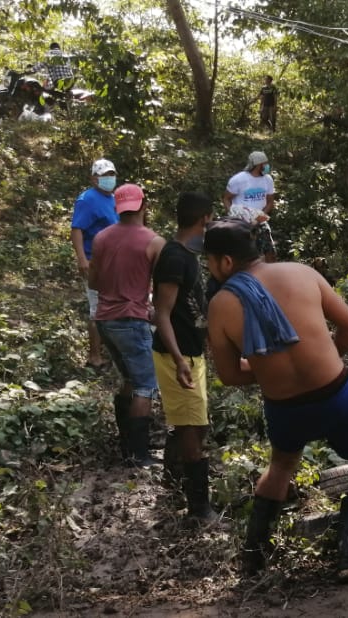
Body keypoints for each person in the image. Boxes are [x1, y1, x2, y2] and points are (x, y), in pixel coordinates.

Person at [203, 218, 348, 574]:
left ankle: (254, 555)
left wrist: (268, 368)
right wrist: (327, 357)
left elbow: (230, 374)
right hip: (336, 393)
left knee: (281, 466)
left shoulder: (221, 303)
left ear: (224, 262)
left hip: (285, 408)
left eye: (208, 260)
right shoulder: (302, 272)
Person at [90, 184, 166, 468]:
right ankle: (137, 454)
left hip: (105, 321)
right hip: (132, 320)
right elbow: (162, 290)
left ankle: (126, 442)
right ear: (144, 205)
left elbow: (93, 282)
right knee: (145, 386)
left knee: (130, 381)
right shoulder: (153, 242)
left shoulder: (101, 238)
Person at [153, 192, 217, 521]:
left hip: (190, 352)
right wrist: (178, 359)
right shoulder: (174, 258)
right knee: (192, 431)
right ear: (203, 219)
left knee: (192, 424)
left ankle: (173, 482)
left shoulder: (188, 255)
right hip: (175, 355)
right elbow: (161, 312)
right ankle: (198, 508)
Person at [71, 159, 120, 370]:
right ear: (94, 178)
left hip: (115, 262)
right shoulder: (88, 200)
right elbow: (77, 230)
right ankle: (94, 356)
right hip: (96, 262)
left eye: (111, 174)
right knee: (97, 309)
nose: (109, 178)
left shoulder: (114, 198)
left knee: (113, 306)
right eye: (104, 175)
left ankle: (112, 352)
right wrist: (82, 259)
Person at [222, 151, 277, 263]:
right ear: (257, 165)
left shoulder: (268, 179)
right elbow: (226, 198)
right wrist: (233, 215)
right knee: (243, 253)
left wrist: (262, 215)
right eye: (265, 164)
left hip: (260, 220)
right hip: (241, 221)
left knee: (270, 251)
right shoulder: (238, 180)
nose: (267, 166)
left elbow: (270, 201)